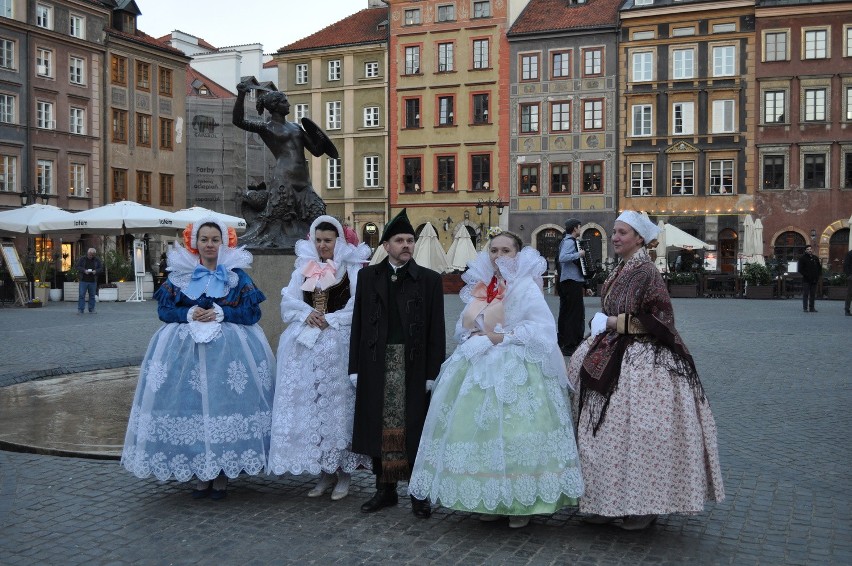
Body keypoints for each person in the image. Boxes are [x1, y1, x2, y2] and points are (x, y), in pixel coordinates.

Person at [409, 230, 584, 529]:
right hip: (481, 363)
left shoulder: (526, 287)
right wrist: (475, 335)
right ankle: (488, 496)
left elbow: (541, 329)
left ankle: (520, 502)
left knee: (515, 432)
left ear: (517, 254)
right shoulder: (483, 287)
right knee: (478, 429)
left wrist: (502, 337)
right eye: (494, 250)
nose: (499, 256)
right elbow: (465, 324)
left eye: (506, 251)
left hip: (517, 364)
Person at [566, 211, 724, 530]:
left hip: (641, 361)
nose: (615, 237)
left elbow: (662, 321)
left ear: (639, 238)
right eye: (614, 232)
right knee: (602, 437)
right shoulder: (624, 267)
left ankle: (643, 506)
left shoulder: (646, 270)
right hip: (612, 350)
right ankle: (604, 501)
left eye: (622, 232)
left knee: (637, 436)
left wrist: (613, 322)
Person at [121, 217, 276, 500]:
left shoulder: (236, 275)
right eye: (204, 239)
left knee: (222, 407)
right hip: (186, 356)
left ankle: (221, 474)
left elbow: (253, 314)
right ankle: (199, 472)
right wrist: (189, 314)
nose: (209, 244)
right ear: (195, 243)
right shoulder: (180, 273)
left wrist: (223, 313)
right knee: (192, 409)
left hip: (229, 356)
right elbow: (165, 312)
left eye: (214, 240)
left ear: (224, 242)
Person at [349, 209, 446, 519]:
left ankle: (418, 493)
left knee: (413, 430)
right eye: (399, 240)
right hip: (376, 363)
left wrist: (433, 372)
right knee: (381, 427)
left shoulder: (429, 280)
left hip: (413, 364)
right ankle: (385, 490)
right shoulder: (367, 277)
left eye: (410, 240)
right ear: (386, 245)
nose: (406, 245)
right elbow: (358, 325)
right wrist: (354, 367)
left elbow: (437, 330)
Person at [268, 215, 372, 500]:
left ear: (338, 241)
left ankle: (344, 474)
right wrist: (306, 314)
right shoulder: (303, 268)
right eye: (319, 240)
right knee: (313, 407)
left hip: (338, 346)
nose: (323, 245)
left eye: (328, 240)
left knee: (338, 409)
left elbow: (358, 305)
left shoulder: (351, 270)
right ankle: (324, 473)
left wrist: (333, 319)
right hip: (305, 346)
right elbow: (287, 301)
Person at [232, 82, 333, 248]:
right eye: (285, 102)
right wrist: (241, 95)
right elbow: (238, 121)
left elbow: (316, 151)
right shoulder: (266, 128)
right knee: (276, 219)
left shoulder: (296, 127)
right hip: (284, 180)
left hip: (304, 181)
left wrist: (321, 139)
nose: (289, 105)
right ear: (274, 105)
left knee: (318, 212)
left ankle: (311, 245)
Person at [557, 218, 586, 356]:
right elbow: (562, 257)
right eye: (579, 227)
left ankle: (567, 341)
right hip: (570, 281)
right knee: (573, 313)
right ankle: (570, 343)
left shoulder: (568, 241)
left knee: (570, 312)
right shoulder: (569, 242)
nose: (580, 230)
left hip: (572, 280)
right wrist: (578, 254)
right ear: (575, 228)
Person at [75, 248, 102, 314]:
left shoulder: (97, 260)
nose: (91, 256)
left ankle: (91, 309)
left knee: (92, 296)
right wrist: (84, 270)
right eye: (90, 254)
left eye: (92, 255)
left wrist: (96, 271)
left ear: (94, 254)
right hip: (83, 280)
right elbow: (77, 266)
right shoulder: (82, 259)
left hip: (93, 280)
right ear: (87, 253)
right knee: (81, 295)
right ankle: (81, 309)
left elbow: (101, 268)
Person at [797, 245, 822, 313]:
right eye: (808, 249)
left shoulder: (815, 258)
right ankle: (805, 308)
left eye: (810, 249)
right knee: (806, 294)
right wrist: (807, 275)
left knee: (813, 294)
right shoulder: (802, 258)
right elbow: (800, 269)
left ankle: (812, 307)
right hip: (806, 279)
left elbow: (819, 267)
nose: (809, 250)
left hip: (814, 279)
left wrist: (818, 275)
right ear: (805, 250)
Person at [844, 249, 852, 316]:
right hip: (851, 276)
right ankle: (847, 309)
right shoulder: (849, 254)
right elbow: (846, 265)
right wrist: (849, 275)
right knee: (849, 293)